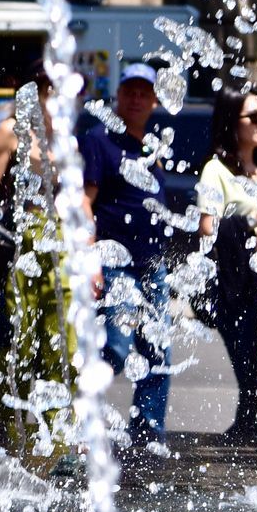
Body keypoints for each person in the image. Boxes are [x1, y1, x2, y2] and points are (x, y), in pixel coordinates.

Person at [0, 74, 76, 447]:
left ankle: (59, 433)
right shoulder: (10, 133)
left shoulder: (67, 138)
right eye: (53, 92)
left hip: (61, 245)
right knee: (24, 345)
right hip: (22, 246)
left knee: (63, 342)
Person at [81, 61, 174, 446]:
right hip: (115, 263)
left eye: (144, 93)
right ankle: (82, 417)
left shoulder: (152, 146)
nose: (136, 99)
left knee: (158, 354)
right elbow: (84, 204)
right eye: (130, 91)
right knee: (116, 347)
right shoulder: (99, 140)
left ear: (154, 100)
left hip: (153, 264)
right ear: (117, 96)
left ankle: (148, 432)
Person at [196, 88, 257, 439]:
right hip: (237, 288)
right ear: (231, 123)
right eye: (253, 117)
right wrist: (254, 222)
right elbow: (207, 227)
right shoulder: (215, 170)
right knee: (251, 372)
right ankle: (247, 447)